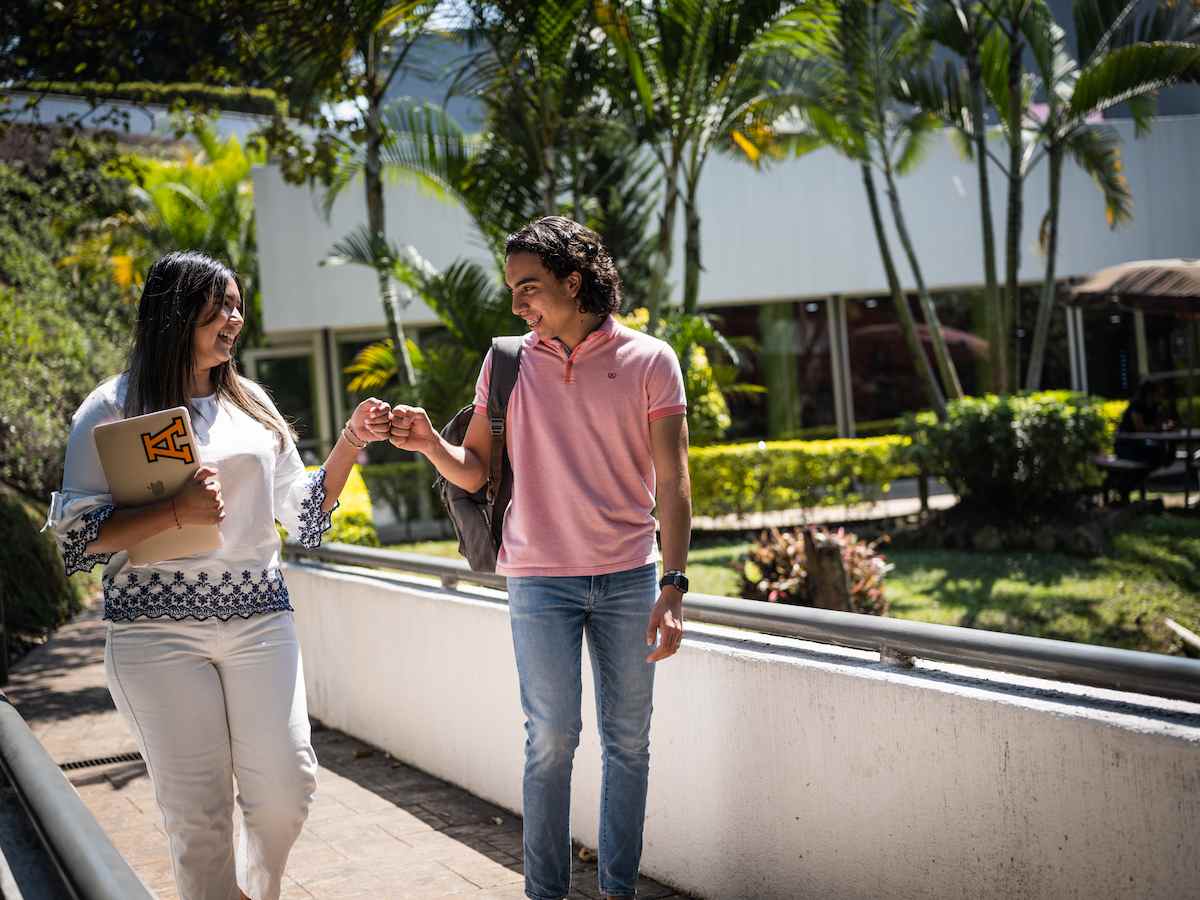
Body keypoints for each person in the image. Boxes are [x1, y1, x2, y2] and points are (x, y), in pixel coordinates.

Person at [45, 251, 392, 900]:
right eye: (219, 307)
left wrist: (349, 441)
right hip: (156, 640)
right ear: (176, 315)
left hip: (262, 623)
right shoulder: (109, 409)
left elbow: (306, 515)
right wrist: (174, 509)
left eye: (237, 305)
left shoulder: (251, 404)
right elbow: (77, 545)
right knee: (200, 821)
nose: (235, 319)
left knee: (288, 790)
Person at [387, 216, 692, 900]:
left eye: (530, 288)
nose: (519, 304)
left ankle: (617, 889)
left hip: (629, 578)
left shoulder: (649, 360)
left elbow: (673, 482)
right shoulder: (506, 362)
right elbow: (476, 472)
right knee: (551, 741)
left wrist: (673, 585)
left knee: (628, 745)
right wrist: (431, 445)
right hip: (538, 580)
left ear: (573, 282)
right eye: (513, 291)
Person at [1115, 379, 1175, 468]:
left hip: (1141, 443)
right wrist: (1158, 428)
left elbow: (1161, 423)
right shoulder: (1136, 406)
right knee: (1156, 453)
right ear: (1150, 393)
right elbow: (1140, 429)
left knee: (1164, 449)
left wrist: (1165, 421)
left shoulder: (1154, 406)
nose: (1161, 396)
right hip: (1127, 445)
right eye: (1158, 393)